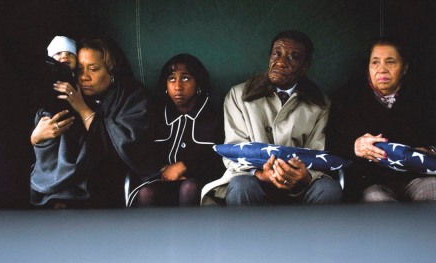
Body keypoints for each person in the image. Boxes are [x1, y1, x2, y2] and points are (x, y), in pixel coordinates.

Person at [201, 30, 342, 206]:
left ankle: (310, 234)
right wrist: (260, 174)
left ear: (304, 67)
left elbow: (317, 152)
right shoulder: (239, 95)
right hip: (255, 179)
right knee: (241, 186)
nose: (281, 62)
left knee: (328, 189)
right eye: (277, 53)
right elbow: (234, 149)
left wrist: (304, 177)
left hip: (299, 185)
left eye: (293, 57)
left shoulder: (320, 104)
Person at [30, 37, 156, 208]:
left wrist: (82, 108)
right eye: (80, 69)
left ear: (111, 71)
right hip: (65, 179)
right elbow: (56, 143)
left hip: (107, 178)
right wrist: (37, 139)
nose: (84, 77)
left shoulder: (131, 96)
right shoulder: (66, 95)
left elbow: (123, 148)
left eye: (93, 69)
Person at [326, 36, 436, 202]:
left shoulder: (424, 97)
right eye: (375, 62)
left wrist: (430, 151)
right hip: (370, 181)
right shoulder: (347, 98)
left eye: (390, 62)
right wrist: (355, 146)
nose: (382, 69)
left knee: (433, 190)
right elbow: (332, 144)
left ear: (404, 67)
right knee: (377, 199)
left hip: (417, 177)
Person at [132, 54, 224, 207]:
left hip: (202, 183)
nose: (178, 86)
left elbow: (219, 158)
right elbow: (142, 153)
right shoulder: (156, 112)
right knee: (147, 193)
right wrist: (164, 172)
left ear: (198, 84)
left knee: (190, 188)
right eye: (172, 79)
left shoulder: (213, 114)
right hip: (160, 180)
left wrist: (184, 167)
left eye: (186, 78)